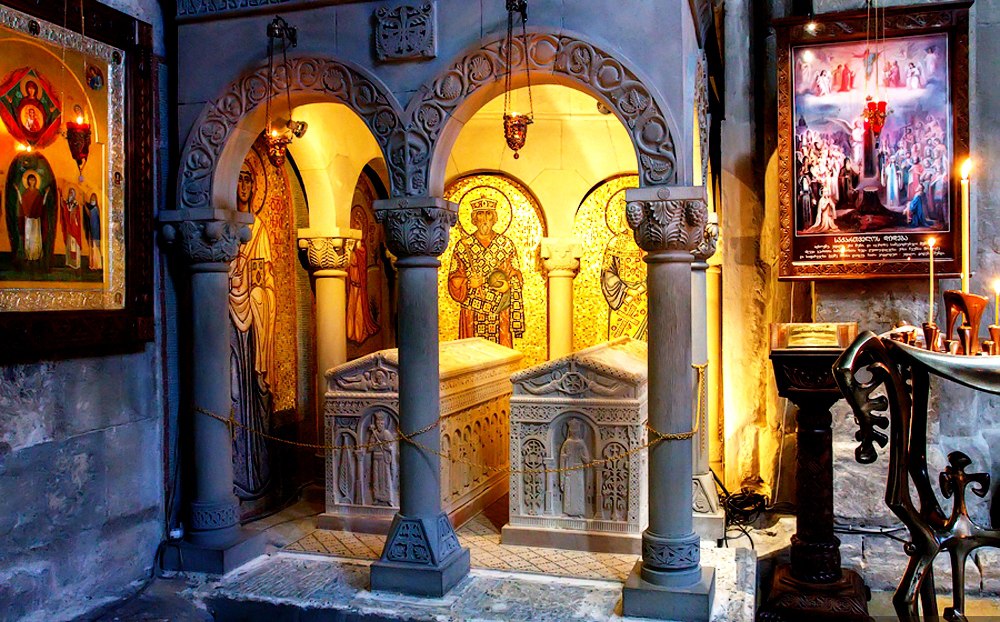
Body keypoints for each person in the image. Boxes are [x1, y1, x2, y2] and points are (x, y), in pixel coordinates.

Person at [447, 197, 524, 347]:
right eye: (480, 214)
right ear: (474, 218)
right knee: (472, 354)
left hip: (499, 311)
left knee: (501, 354)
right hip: (472, 310)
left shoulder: (506, 245)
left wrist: (508, 286)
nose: (484, 219)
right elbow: (453, 279)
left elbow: (516, 275)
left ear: (494, 218)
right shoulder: (463, 246)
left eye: (488, 214)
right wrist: (468, 283)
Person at [346, 205, 380, 344]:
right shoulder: (354, 248)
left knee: (358, 312)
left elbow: (355, 261)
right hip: (352, 285)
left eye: (357, 225)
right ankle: (351, 334)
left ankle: (359, 333)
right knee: (351, 311)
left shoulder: (361, 249)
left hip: (359, 287)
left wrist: (351, 249)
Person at [559, 419, 591, 517]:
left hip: (579, 471)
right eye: (572, 431)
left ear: (579, 431)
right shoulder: (567, 443)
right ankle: (568, 512)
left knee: (578, 492)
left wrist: (582, 455)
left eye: (576, 431)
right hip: (569, 471)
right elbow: (562, 457)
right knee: (569, 492)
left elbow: (587, 460)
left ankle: (579, 512)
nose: (574, 433)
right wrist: (566, 456)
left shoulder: (581, 443)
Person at [14, 173, 47, 261]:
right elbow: (22, 201)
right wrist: (18, 191)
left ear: (35, 181)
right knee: (28, 235)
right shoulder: (26, 193)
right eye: (30, 179)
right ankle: (28, 255)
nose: (32, 181)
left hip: (36, 218)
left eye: (33, 179)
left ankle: (36, 255)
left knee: (35, 236)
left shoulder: (37, 193)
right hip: (28, 218)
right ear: (28, 181)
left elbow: (42, 203)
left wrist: (46, 194)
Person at [369, 411, 397, 506]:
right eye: (378, 423)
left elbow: (391, 447)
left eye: (381, 423)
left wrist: (385, 446)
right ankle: (377, 498)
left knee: (386, 478)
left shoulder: (387, 433)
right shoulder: (374, 434)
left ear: (384, 423)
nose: (379, 425)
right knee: (376, 478)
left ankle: (389, 498)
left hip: (385, 459)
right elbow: (369, 448)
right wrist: (375, 444)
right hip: (376, 458)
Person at [59, 187, 82, 269]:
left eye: (72, 193)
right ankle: (69, 262)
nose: (70, 194)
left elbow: (77, 216)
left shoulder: (76, 204)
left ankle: (75, 263)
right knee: (69, 245)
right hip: (69, 227)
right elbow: (63, 206)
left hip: (74, 227)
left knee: (74, 245)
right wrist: (60, 195)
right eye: (69, 192)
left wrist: (74, 217)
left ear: (74, 195)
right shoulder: (67, 203)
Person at [83, 192, 101, 270]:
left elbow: (90, 214)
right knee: (92, 248)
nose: (92, 200)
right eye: (91, 198)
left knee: (95, 248)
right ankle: (92, 264)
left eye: (94, 199)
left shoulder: (95, 209)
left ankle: (96, 265)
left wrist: (85, 205)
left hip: (95, 231)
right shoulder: (93, 208)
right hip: (92, 230)